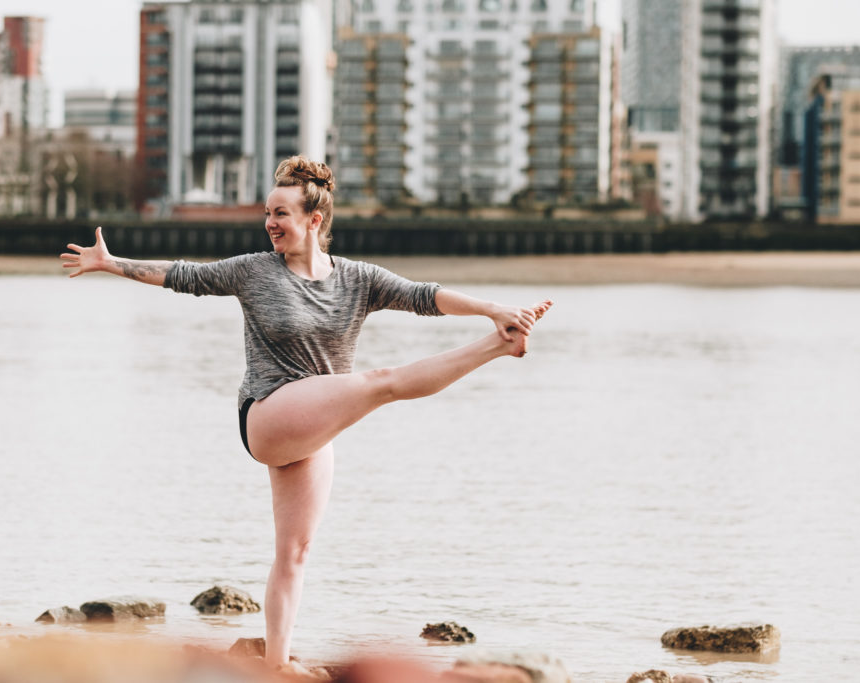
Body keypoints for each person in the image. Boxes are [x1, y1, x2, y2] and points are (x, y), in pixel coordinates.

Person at [60, 156, 551, 671]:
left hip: (316, 426)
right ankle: (496, 349)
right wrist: (110, 263)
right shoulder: (253, 271)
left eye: (282, 213)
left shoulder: (358, 280)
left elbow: (426, 297)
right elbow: (185, 276)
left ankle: (277, 664)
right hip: (269, 414)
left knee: (294, 553)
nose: (271, 222)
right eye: (268, 213)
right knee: (380, 383)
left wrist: (495, 308)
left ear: (314, 220)